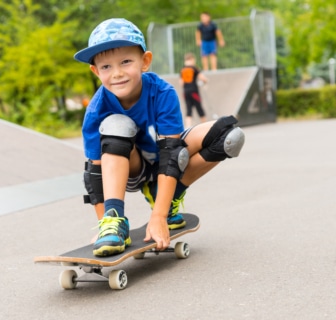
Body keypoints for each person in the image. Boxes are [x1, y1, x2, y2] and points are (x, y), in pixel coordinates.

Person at [74, 18, 245, 257]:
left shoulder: (162, 92)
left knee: (230, 136)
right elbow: (95, 172)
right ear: (95, 71)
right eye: (106, 67)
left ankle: (164, 195)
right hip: (132, 169)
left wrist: (159, 216)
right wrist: (105, 224)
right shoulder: (96, 109)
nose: (118, 73)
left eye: (125, 61)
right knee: (117, 125)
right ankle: (115, 219)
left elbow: (172, 154)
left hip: (165, 160)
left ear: (145, 61)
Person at [179, 52, 208, 127]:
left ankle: (187, 128)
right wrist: (205, 81)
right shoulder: (194, 68)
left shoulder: (182, 69)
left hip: (186, 92)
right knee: (200, 109)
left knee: (188, 111)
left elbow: (181, 83)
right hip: (194, 91)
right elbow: (203, 78)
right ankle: (205, 127)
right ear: (191, 59)